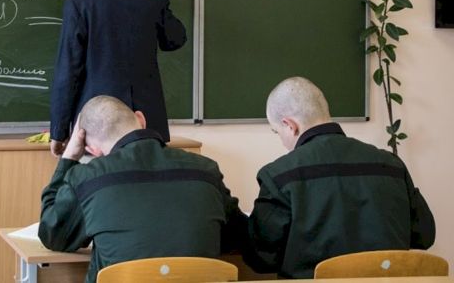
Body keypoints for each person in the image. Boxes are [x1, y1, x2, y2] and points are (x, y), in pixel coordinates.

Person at [39, 95, 247, 283]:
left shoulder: (87, 179)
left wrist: (68, 158)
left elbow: (53, 235)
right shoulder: (206, 170)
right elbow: (238, 236)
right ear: (141, 119)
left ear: (92, 149)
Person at [244, 76, 436, 278]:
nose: (282, 141)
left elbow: (261, 258)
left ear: (290, 125)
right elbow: (424, 236)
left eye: (277, 132)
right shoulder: (392, 166)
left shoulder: (278, 176)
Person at [49, 0, 186, 156]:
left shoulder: (80, 3)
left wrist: (59, 131)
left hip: (96, 126)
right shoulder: (153, 0)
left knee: (96, 178)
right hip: (145, 126)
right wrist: (159, 1)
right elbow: (176, 40)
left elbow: (68, 69)